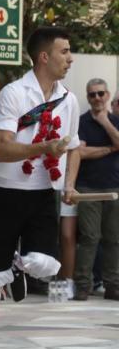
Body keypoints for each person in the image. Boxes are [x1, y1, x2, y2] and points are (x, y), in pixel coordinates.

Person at [0, 26, 81, 349]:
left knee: (45, 263)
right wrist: (43, 146)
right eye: (64, 52)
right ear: (44, 57)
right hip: (3, 192)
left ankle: (16, 268)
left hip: (43, 192)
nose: (70, 58)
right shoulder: (13, 94)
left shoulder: (69, 100)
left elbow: (74, 147)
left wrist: (70, 184)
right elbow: (2, 150)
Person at [73, 78, 119, 301]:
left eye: (101, 93)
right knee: (90, 237)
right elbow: (80, 153)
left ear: (108, 95)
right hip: (87, 187)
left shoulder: (115, 121)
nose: (97, 98)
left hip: (114, 186)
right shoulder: (80, 122)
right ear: (88, 97)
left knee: (114, 238)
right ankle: (83, 285)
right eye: (92, 95)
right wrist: (110, 148)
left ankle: (113, 285)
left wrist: (105, 123)